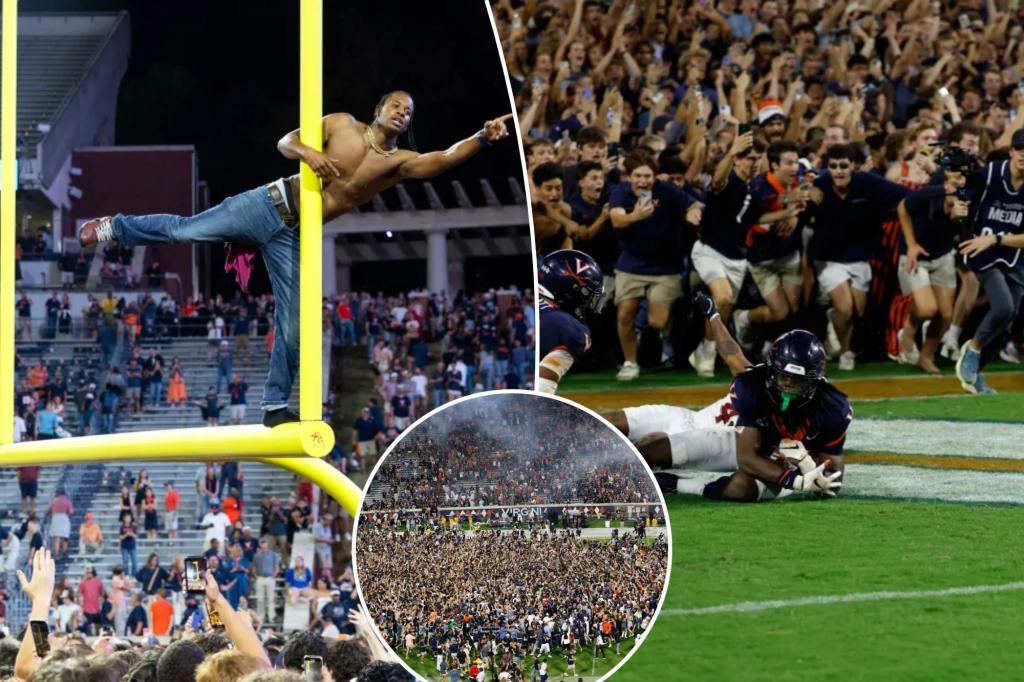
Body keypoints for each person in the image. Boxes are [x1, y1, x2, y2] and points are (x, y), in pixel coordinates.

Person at [78, 92, 513, 427]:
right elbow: (286, 141)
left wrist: (480, 137)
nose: (403, 112)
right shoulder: (342, 124)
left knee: (293, 324)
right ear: (379, 109)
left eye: (409, 112)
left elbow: (444, 159)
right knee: (184, 230)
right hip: (266, 204)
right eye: (396, 105)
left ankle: (273, 405)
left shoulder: (398, 162)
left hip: (292, 235)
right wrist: (311, 153)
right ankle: (115, 226)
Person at [609, 154, 702, 380]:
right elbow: (616, 220)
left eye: (647, 176)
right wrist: (636, 215)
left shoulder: (668, 190)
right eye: (638, 176)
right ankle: (630, 363)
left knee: (656, 321)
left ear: (654, 176)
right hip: (631, 265)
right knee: (624, 315)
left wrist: (693, 214)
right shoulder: (620, 192)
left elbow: (693, 204)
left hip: (665, 268)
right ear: (630, 177)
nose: (643, 180)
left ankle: (669, 338)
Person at [956, 130, 1024, 394]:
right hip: (979, 250)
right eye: (1020, 149)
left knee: (1006, 325)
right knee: (1004, 307)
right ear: (1011, 152)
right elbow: (963, 200)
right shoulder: (991, 173)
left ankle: (975, 373)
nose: (1023, 155)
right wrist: (958, 209)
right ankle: (971, 350)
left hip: (1011, 254)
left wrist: (996, 239)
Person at [537, 249, 603, 393]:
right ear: (570, 290)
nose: (587, 302)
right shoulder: (570, 327)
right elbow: (544, 381)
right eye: (587, 296)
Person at [46, 488, 73, 559]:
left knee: (56, 537)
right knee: (65, 536)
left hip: (55, 518)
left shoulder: (54, 501)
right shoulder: (67, 501)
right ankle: (64, 551)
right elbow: (71, 512)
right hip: (64, 518)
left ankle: (56, 552)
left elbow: (48, 511)